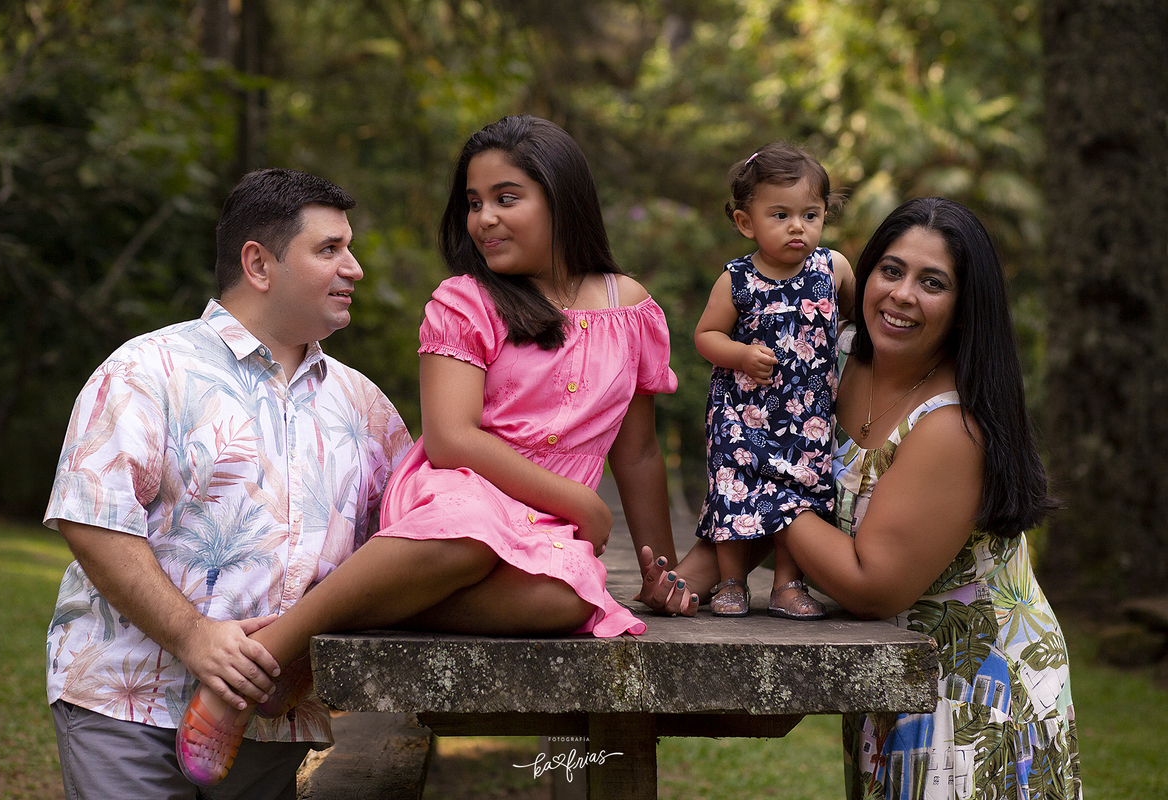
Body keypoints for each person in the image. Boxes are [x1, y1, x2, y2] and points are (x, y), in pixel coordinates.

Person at [175, 114, 689, 786]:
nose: (484, 220)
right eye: (474, 203)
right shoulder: (465, 301)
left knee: (567, 603)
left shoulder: (632, 308)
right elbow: (451, 437)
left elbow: (641, 452)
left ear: (562, 198)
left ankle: (321, 624)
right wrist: (580, 504)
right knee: (474, 534)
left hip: (544, 529)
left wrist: (662, 570)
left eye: (507, 198)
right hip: (460, 493)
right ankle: (263, 661)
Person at [643, 197, 1082, 797]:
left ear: (966, 306)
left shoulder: (953, 426)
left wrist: (767, 488)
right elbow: (765, 512)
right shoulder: (835, 357)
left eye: (933, 282)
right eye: (891, 270)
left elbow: (873, 582)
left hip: (973, 694)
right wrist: (682, 585)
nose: (902, 295)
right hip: (885, 676)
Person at [43, 168, 413, 798]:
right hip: (128, 704)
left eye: (349, 248)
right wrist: (194, 636)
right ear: (259, 264)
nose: (353, 269)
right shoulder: (147, 368)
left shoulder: (367, 409)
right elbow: (91, 521)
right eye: (329, 249)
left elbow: (404, 551)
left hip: (273, 723)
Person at [693, 142, 854, 618]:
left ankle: (787, 585)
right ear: (747, 223)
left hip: (807, 416)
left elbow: (857, 316)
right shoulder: (737, 280)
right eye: (780, 215)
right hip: (743, 414)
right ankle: (730, 582)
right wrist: (740, 354)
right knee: (733, 486)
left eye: (810, 214)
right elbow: (705, 335)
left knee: (801, 491)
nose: (797, 227)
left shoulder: (833, 269)